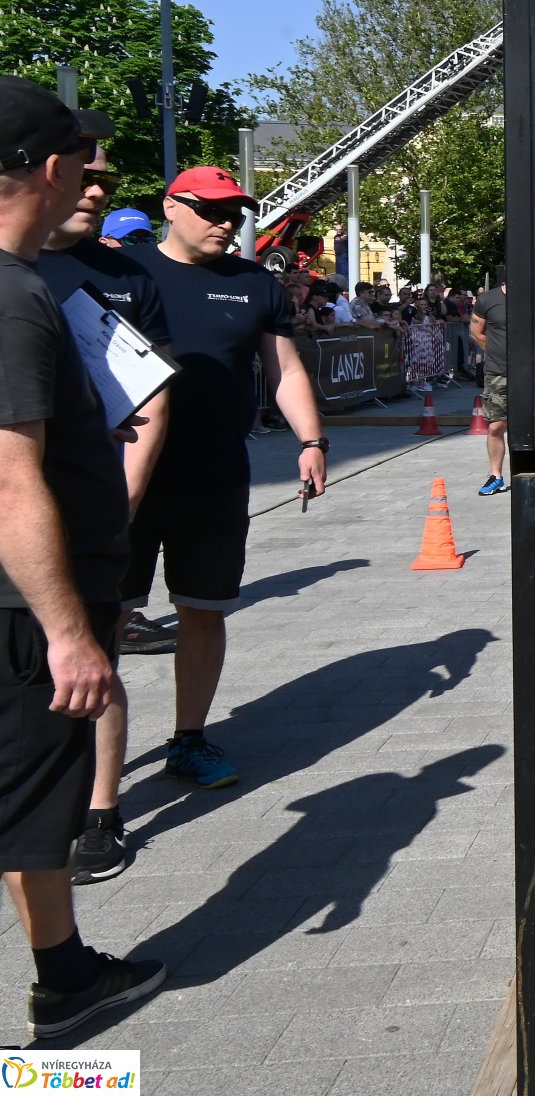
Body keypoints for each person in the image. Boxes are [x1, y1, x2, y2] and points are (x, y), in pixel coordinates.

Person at [0, 77, 166, 1035]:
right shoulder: (14, 297)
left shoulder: (31, 286)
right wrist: (70, 632)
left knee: (30, 807)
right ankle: (61, 1004)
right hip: (23, 619)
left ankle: (64, 970)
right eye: (84, 158)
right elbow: (12, 479)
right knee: (28, 808)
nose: (95, 174)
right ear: (52, 169)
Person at [122, 166, 330, 791]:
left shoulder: (254, 283)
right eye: (211, 210)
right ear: (170, 206)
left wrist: (312, 440)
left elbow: (284, 369)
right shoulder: (124, 273)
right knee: (105, 620)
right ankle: (90, 771)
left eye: (235, 212)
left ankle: (189, 738)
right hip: (123, 479)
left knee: (203, 612)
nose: (227, 223)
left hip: (214, 478)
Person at [35, 129, 178, 884]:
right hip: (16, 509)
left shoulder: (124, 277)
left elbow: (149, 398)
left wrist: (122, 498)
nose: (97, 191)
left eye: (105, 179)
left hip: (88, 511)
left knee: (95, 658)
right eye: (84, 177)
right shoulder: (15, 272)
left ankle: (101, 811)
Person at [471, 282, 509, 497]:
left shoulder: (533, 296)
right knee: (496, 426)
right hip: (497, 372)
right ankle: (496, 476)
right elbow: (477, 333)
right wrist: (497, 353)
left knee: (530, 427)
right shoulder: (488, 299)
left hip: (530, 373)